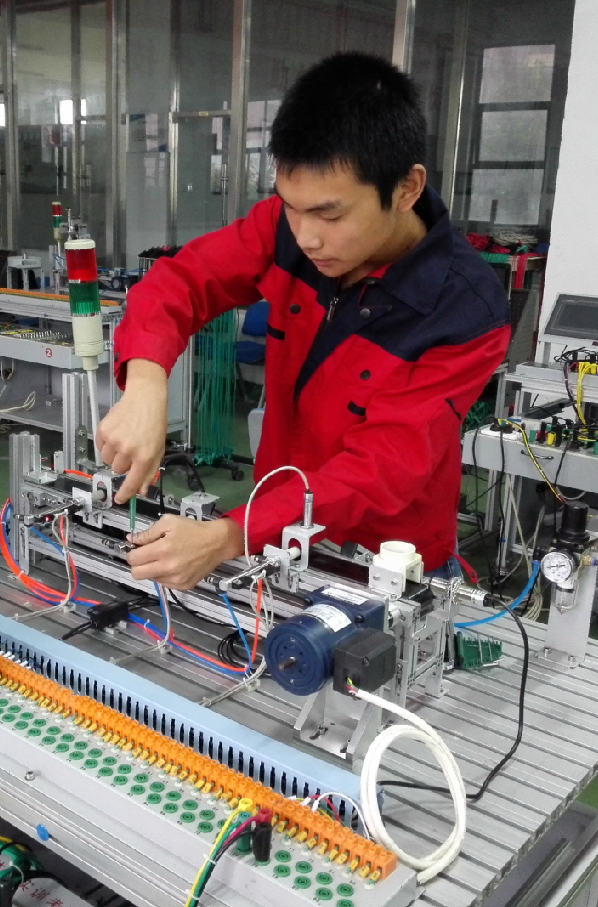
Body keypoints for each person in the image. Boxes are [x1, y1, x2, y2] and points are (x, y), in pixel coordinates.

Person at [97, 52, 511, 590]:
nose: (306, 236)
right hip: (277, 536)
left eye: (329, 214)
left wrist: (231, 536)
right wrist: (146, 386)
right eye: (291, 205)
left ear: (406, 189)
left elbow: (378, 468)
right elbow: (182, 282)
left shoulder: (464, 310)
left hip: (386, 563)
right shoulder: (284, 229)